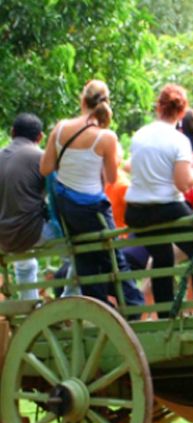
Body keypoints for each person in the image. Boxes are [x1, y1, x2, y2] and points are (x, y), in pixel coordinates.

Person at [40, 80, 144, 309]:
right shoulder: (106, 137)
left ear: (82, 99)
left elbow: (45, 168)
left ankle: (99, 308)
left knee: (85, 259)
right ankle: (135, 307)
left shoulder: (60, 129)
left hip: (67, 209)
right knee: (116, 261)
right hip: (93, 209)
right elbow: (111, 178)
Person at [124, 84, 193, 319]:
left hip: (137, 211)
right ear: (182, 113)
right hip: (166, 208)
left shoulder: (140, 135)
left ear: (158, 107)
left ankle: (164, 315)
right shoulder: (179, 141)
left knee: (162, 257)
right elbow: (183, 183)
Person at [0, 113, 60, 299]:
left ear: (12, 133)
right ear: (40, 137)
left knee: (25, 264)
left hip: (2, 236)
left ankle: (30, 308)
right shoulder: (41, 157)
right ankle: (69, 298)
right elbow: (57, 195)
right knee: (77, 248)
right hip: (31, 232)